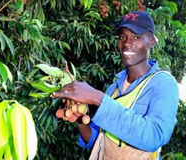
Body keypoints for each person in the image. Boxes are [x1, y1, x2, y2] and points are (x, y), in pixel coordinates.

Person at [51, 11, 179, 160]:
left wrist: (97, 98)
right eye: (122, 37)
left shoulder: (163, 83)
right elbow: (97, 141)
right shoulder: (114, 88)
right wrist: (81, 122)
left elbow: (155, 136)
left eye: (136, 37)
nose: (126, 44)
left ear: (151, 41)